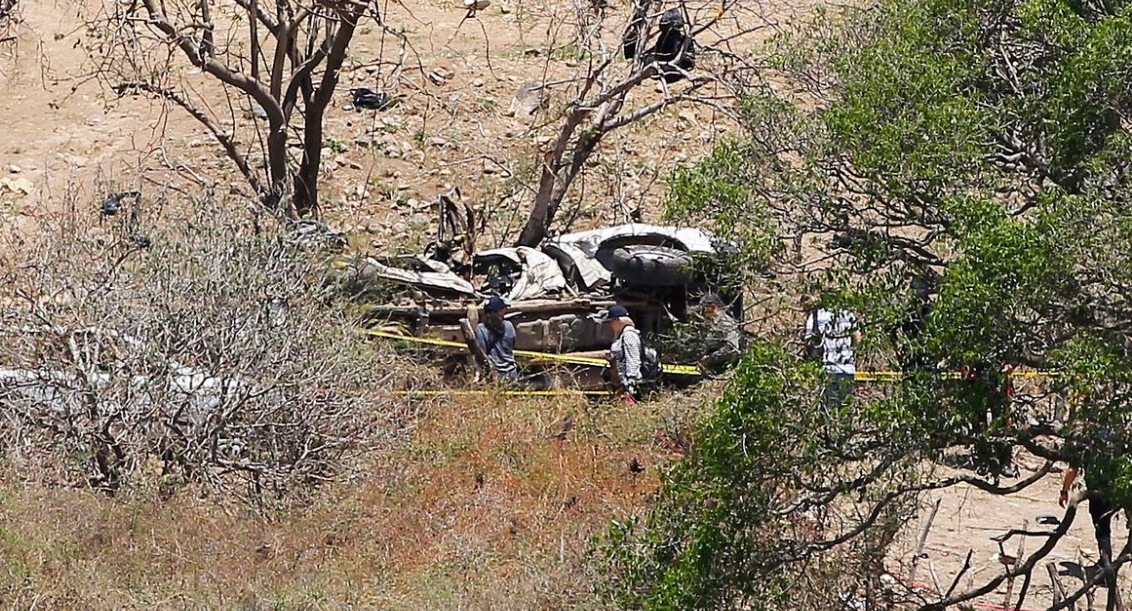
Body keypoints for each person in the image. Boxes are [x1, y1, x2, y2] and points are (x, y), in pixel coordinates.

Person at [803, 295, 861, 408]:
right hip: (847, 368)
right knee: (844, 409)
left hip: (827, 369)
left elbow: (809, 342)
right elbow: (857, 338)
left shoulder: (816, 315)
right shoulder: (848, 314)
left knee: (827, 408)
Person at [622, 6, 696, 83]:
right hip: (674, 70)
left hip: (671, 73)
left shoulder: (675, 38)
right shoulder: (679, 38)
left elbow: (664, 54)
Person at [697, 293, 745, 373]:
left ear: (713, 307)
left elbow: (732, 348)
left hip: (726, 368)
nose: (702, 313)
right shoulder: (715, 323)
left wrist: (710, 359)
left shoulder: (726, 323)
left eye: (704, 309)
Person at [602, 305, 642, 400]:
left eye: (611, 321)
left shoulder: (629, 335)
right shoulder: (621, 335)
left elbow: (633, 358)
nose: (610, 325)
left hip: (629, 385)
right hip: (623, 383)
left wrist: (631, 382)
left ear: (617, 320)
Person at [474, 296, 518, 382]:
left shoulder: (481, 329)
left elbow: (481, 352)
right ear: (500, 311)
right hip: (511, 372)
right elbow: (513, 343)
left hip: (493, 374)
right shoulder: (509, 326)